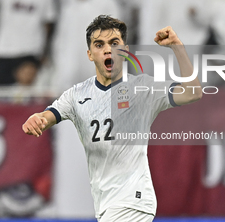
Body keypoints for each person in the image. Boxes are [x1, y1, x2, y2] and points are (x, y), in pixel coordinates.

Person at [22, 15, 202, 222]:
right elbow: (48, 115)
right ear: (90, 54)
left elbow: (193, 92)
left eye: (114, 43)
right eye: (100, 45)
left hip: (133, 201)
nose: (108, 49)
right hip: (106, 203)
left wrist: (178, 48)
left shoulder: (142, 89)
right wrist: (37, 118)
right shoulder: (76, 95)